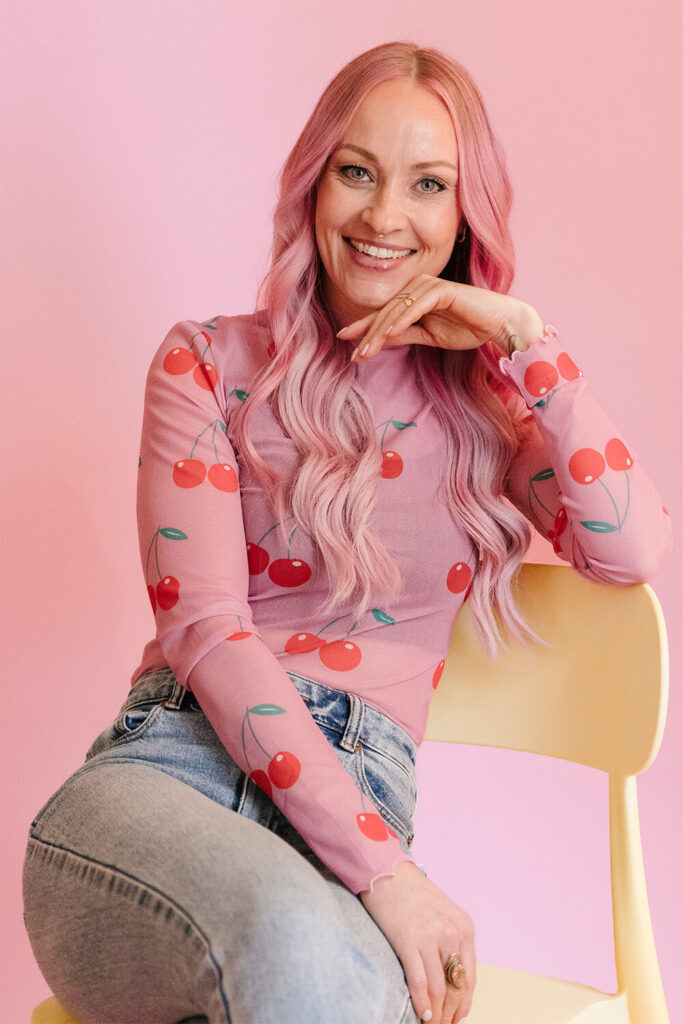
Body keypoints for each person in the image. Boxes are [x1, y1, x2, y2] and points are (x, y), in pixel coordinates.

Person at [22, 40, 672, 1024]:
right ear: (313, 184)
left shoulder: (491, 416)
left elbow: (631, 547)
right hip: (168, 781)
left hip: (353, 825)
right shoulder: (208, 365)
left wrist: (524, 344)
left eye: (428, 185)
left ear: (463, 215)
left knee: (326, 977)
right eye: (356, 172)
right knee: (300, 945)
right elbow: (205, 626)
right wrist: (390, 878)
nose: (383, 216)